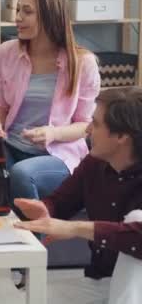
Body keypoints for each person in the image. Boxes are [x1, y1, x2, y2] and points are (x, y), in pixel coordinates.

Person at [0, 0, 101, 205]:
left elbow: (86, 125)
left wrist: (52, 133)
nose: (18, 18)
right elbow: (1, 106)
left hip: (57, 153)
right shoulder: (7, 52)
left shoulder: (83, 62)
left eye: (27, 12)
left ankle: (32, 239)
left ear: (50, 16)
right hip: (11, 146)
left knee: (23, 173)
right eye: (17, 10)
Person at [15, 87, 142, 303]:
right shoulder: (94, 163)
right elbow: (61, 201)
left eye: (97, 124)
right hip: (101, 282)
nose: (88, 129)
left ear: (121, 136)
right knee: (26, 300)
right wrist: (46, 209)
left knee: (137, 220)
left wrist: (74, 228)